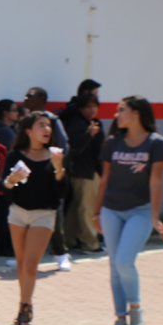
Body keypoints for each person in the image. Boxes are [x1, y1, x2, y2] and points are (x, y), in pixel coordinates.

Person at [96, 96, 163, 325]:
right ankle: (120, 319)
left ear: (137, 113)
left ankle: (136, 308)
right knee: (114, 266)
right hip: (111, 210)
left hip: (140, 211)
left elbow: (156, 182)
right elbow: (104, 180)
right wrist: (97, 211)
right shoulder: (112, 143)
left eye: (122, 110)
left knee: (124, 261)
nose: (116, 115)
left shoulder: (156, 143)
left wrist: (155, 217)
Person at [1, 111, 68, 325]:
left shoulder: (55, 156)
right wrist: (12, 180)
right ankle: (23, 304)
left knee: (30, 264)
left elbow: (62, 192)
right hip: (18, 213)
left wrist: (59, 169)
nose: (47, 130)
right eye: (41, 125)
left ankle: (26, 308)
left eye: (48, 126)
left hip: (44, 215)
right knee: (22, 266)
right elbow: (5, 188)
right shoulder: (15, 155)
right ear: (29, 131)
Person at [24, 86, 73, 271]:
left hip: (47, 170)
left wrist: (54, 163)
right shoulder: (26, 120)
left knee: (53, 212)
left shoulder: (52, 120)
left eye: (30, 96)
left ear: (42, 99)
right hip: (28, 171)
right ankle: (26, 254)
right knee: (25, 210)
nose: (25, 98)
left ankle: (61, 253)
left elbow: (63, 145)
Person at [62, 91, 104, 253]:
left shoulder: (94, 123)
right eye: (88, 107)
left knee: (76, 207)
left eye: (94, 106)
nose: (92, 110)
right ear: (80, 108)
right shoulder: (77, 124)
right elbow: (74, 150)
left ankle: (69, 239)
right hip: (83, 172)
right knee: (87, 208)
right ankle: (90, 243)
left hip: (92, 171)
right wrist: (88, 135)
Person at [0, 99, 19, 258]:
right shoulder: (5, 132)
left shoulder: (5, 129)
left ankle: (5, 245)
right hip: (5, 179)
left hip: (2, 178)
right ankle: (3, 246)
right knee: (5, 212)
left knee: (4, 212)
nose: (17, 113)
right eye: (14, 110)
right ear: (6, 113)